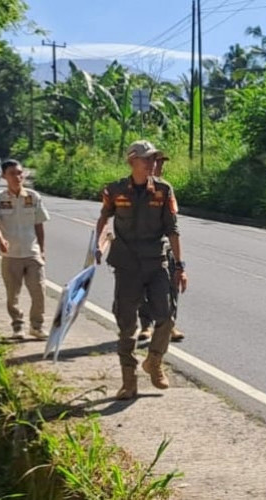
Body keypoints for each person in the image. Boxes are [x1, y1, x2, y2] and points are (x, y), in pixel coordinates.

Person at [95, 140, 188, 400]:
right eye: (146, 159)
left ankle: (154, 361)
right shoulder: (114, 190)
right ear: (131, 160)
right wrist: (98, 245)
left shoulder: (163, 189)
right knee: (126, 325)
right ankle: (129, 381)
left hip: (156, 262)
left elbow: (173, 230)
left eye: (153, 159)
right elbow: (104, 218)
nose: (151, 163)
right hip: (126, 266)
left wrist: (180, 266)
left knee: (167, 316)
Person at [0, 159, 50, 340]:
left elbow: (39, 225)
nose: (17, 177)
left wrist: (42, 249)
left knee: (39, 291)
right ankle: (18, 326)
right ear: (4, 176)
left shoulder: (33, 197)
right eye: (12, 173)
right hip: (11, 254)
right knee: (12, 294)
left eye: (20, 173)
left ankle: (37, 326)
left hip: (32, 252)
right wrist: (0, 240)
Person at [138, 153, 185, 342]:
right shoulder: (135, 189)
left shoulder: (165, 189)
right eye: (155, 163)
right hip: (142, 249)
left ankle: (170, 324)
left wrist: (179, 258)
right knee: (143, 287)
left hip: (165, 246)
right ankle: (146, 325)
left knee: (171, 286)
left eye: (160, 164)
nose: (159, 167)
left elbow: (173, 224)